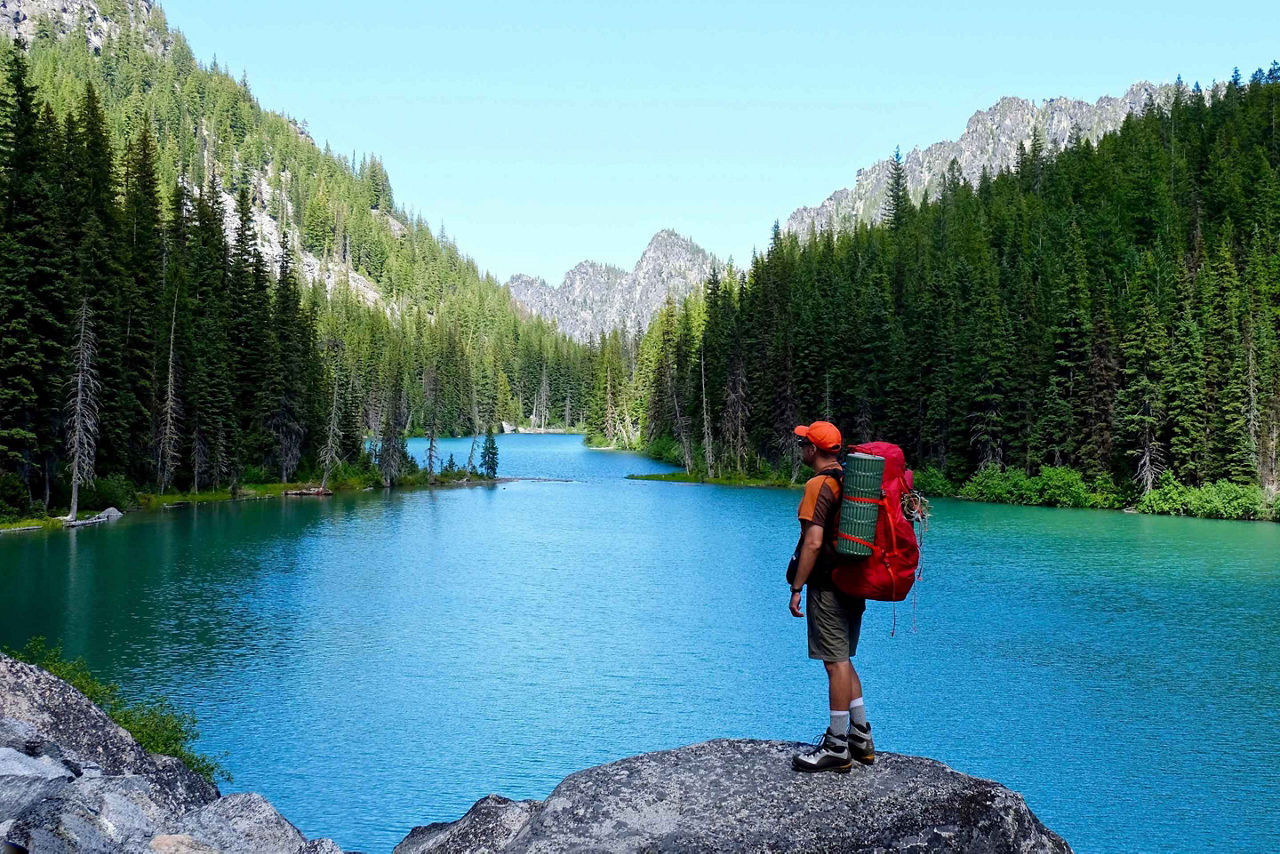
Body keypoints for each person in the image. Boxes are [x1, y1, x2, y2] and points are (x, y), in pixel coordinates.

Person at [787, 420, 874, 773]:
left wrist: (797, 588)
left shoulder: (818, 486)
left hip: (828, 587)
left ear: (813, 450)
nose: (801, 449)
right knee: (845, 659)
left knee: (834, 663)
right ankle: (861, 737)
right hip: (855, 581)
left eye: (802, 443)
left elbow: (813, 542)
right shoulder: (852, 480)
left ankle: (837, 746)